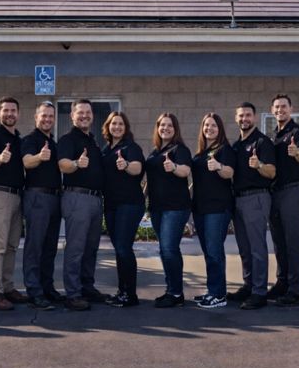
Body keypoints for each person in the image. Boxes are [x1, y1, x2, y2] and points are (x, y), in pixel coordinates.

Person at [57, 99, 106, 311]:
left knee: (91, 248)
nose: (84, 116)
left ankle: (87, 287)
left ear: (92, 115)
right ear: (72, 116)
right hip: (77, 199)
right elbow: (63, 164)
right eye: (80, 113)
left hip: (95, 200)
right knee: (76, 248)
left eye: (88, 112)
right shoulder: (68, 139)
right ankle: (73, 293)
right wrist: (77, 163)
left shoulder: (93, 141)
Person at [0, 97, 28, 311]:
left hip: (17, 196)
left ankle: (8, 287)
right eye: (6, 111)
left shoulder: (18, 138)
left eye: (13, 110)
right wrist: (0, 158)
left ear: (18, 114)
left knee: (11, 246)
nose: (9, 114)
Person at [230, 102, 276, 310]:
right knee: (244, 248)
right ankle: (249, 285)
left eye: (248, 115)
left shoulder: (262, 142)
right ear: (236, 118)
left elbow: (272, 173)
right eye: (241, 116)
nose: (244, 119)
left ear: (255, 118)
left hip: (256, 197)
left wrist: (259, 165)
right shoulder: (236, 145)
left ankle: (259, 292)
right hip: (238, 200)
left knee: (257, 248)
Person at [145, 112, 192, 308]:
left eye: (169, 126)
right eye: (162, 125)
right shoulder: (154, 152)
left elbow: (185, 171)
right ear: (157, 128)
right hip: (157, 208)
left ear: (175, 129)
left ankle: (176, 293)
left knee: (169, 249)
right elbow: (150, 180)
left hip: (175, 207)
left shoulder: (180, 149)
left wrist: (173, 167)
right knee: (164, 250)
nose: (165, 128)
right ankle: (170, 289)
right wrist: (143, 200)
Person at [100, 111, 145, 308]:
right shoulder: (106, 149)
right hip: (111, 205)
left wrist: (126, 165)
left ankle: (130, 294)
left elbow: (137, 168)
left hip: (129, 204)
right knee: (119, 249)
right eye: (113, 123)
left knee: (124, 248)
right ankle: (122, 291)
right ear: (108, 126)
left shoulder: (131, 147)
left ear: (125, 127)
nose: (117, 127)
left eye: (120, 124)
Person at [191, 113, 236, 309]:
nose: (209, 128)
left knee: (214, 250)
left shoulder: (225, 149)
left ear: (220, 129)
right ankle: (212, 290)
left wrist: (218, 166)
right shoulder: (200, 153)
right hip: (200, 208)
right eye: (206, 125)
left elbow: (230, 173)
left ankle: (219, 295)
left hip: (218, 208)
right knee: (209, 252)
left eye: (214, 126)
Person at [269, 94, 299, 306]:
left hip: (292, 192)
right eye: (277, 107)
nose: (280, 110)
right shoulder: (274, 135)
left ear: (291, 109)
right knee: (278, 241)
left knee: (293, 241)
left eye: (284, 106)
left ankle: (295, 288)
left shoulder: (298, 132)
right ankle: (282, 282)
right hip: (275, 193)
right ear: (272, 110)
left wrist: (296, 153)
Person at [21, 101, 63, 311]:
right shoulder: (30, 140)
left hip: (55, 199)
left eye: (50, 116)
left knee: (49, 248)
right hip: (37, 197)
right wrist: (39, 157)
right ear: (36, 117)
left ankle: (47, 287)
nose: (47, 119)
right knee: (35, 247)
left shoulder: (53, 142)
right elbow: (26, 161)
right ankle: (34, 291)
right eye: (43, 116)